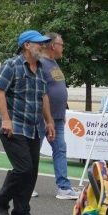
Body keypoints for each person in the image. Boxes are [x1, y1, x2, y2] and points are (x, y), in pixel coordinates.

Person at [0, 30, 55, 215]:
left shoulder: (42, 68)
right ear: (27, 45)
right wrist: (6, 120)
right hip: (14, 126)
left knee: (32, 171)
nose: (43, 46)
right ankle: (0, 200)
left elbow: (43, 96)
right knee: (23, 168)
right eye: (39, 43)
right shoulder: (13, 65)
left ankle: (21, 212)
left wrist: (49, 121)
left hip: (34, 128)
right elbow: (0, 92)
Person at [40, 32, 79, 200]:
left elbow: (58, 88)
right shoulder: (40, 63)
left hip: (56, 117)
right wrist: (45, 117)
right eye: (61, 44)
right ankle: (25, 186)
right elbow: (41, 92)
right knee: (32, 152)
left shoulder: (53, 63)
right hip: (42, 118)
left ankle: (64, 187)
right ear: (52, 46)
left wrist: (62, 110)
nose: (63, 47)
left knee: (60, 149)